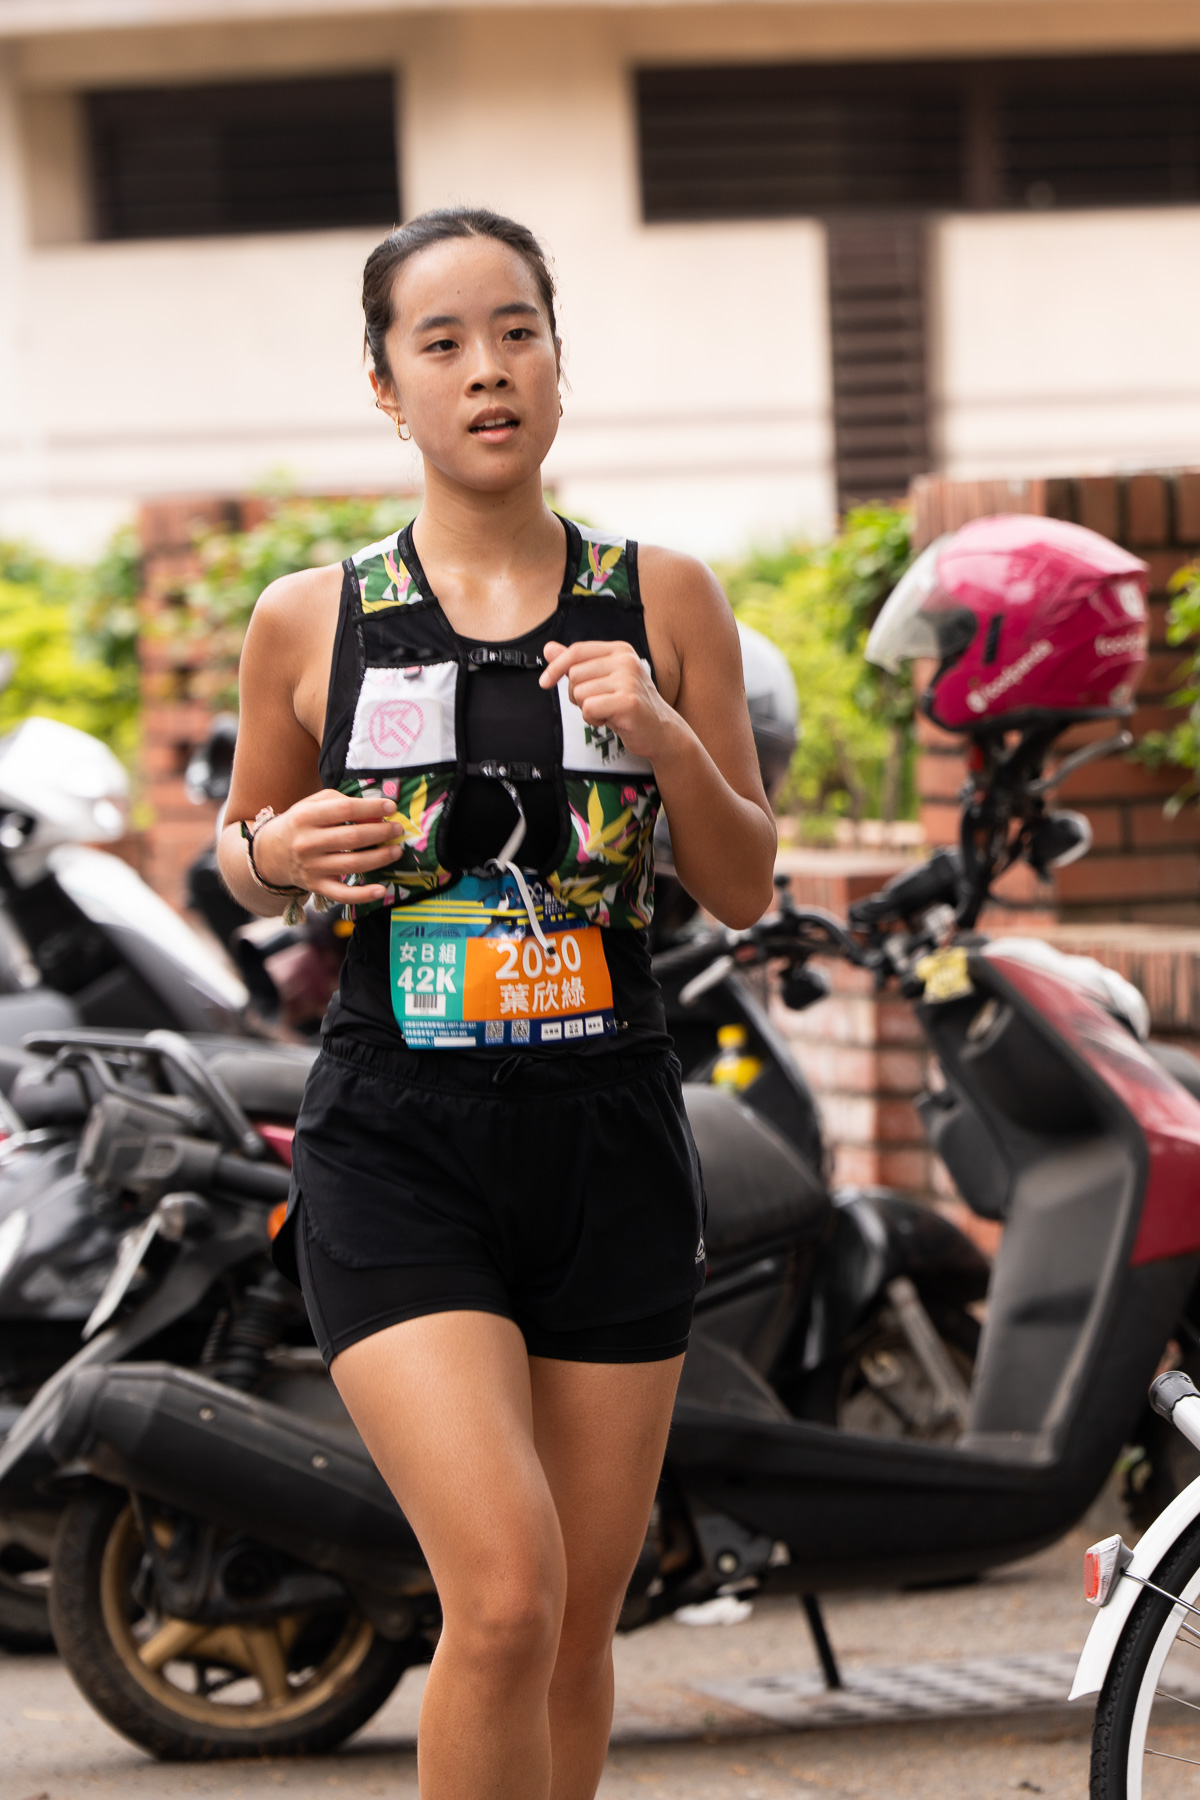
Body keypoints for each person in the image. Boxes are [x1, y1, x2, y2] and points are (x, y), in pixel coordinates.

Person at [217, 206, 777, 1800]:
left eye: (517, 331)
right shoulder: (310, 617)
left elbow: (742, 882)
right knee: (509, 1592)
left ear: (556, 359)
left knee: (582, 1619)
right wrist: (279, 854)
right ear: (386, 385)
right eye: (443, 342)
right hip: (400, 1138)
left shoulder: (664, 596)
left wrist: (666, 737)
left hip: (610, 1134)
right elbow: (242, 860)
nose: (487, 370)